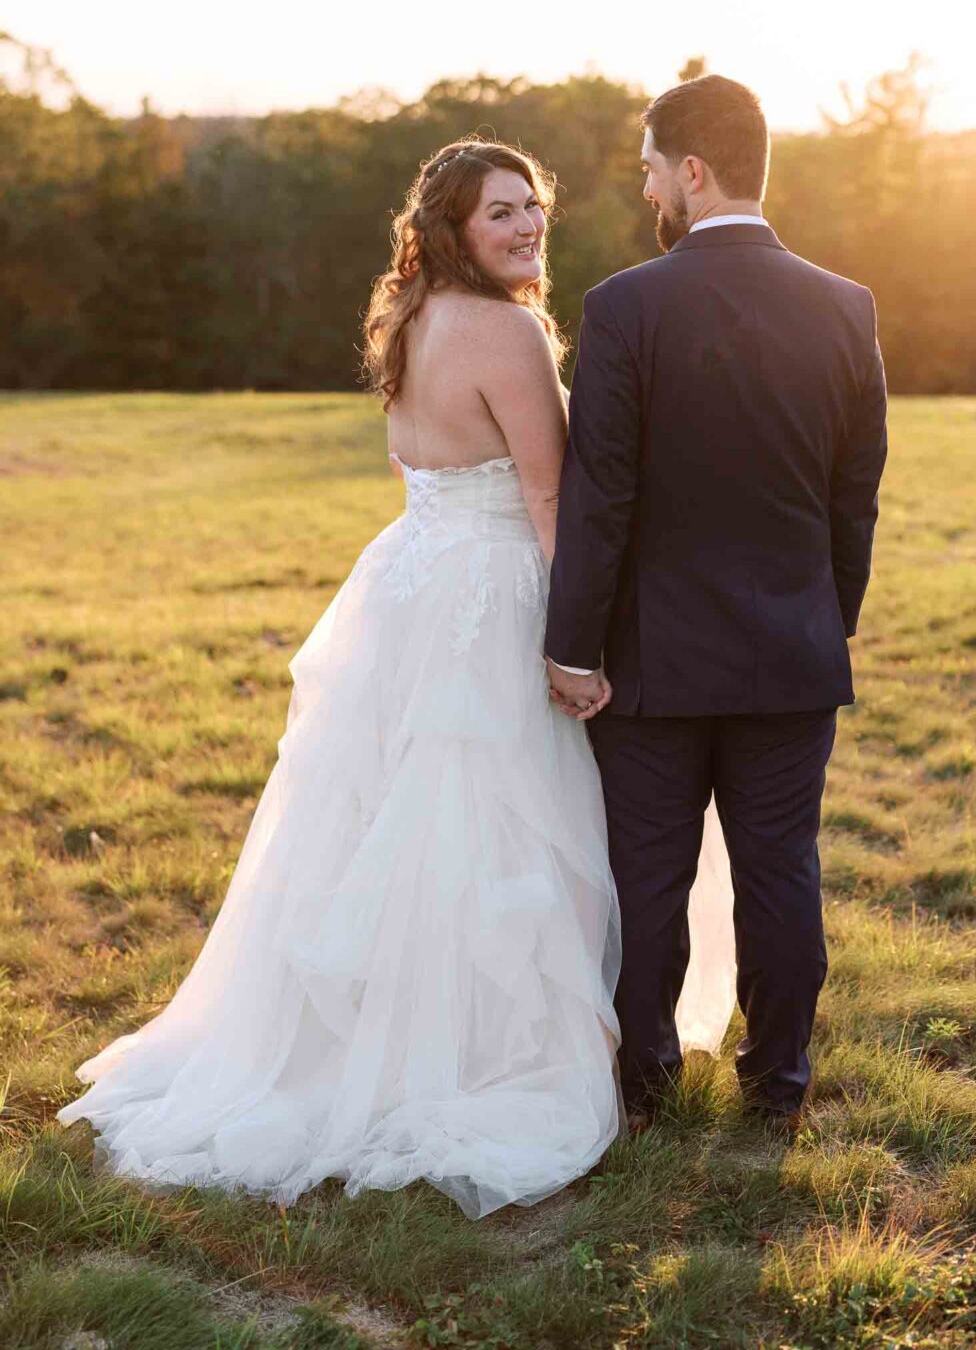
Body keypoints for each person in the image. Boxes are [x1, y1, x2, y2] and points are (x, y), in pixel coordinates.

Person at [56, 139, 736, 1218]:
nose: (527, 226)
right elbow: (550, 498)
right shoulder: (508, 331)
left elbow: (411, 464)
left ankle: (383, 1035)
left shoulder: (411, 320)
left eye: (532, 207)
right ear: (452, 229)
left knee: (397, 818)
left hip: (412, 580)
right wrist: (579, 640)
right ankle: (486, 1051)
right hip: (495, 589)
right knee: (501, 817)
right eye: (499, 212)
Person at [545, 75, 888, 1132]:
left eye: (651, 168)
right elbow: (854, 496)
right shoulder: (844, 306)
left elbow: (600, 498)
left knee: (647, 877)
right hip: (791, 650)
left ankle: (646, 1086)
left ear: (691, 170)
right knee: (781, 871)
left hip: (652, 660)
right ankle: (776, 1086)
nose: (648, 187)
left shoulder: (623, 306)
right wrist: (825, 619)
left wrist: (573, 647)